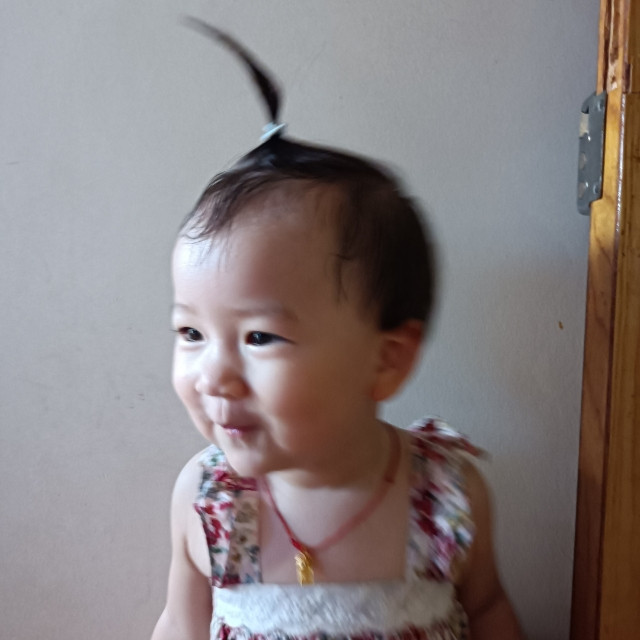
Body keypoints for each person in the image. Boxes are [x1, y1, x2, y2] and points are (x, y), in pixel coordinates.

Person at [152, 20, 523, 640]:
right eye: (191, 333)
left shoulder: (445, 498)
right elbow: (180, 623)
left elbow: (487, 610)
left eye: (259, 337)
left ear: (386, 360)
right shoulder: (208, 497)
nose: (212, 374)